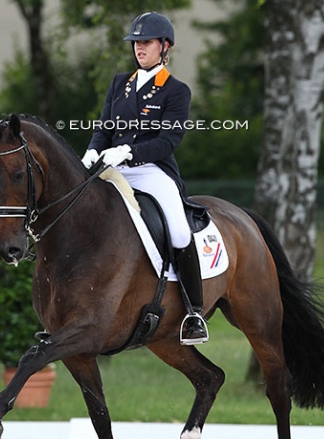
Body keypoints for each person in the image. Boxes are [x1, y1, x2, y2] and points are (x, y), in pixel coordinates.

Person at [81, 12, 208, 345]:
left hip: (152, 170)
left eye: (146, 42)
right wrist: (93, 152)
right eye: (136, 43)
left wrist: (128, 153)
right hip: (112, 167)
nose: (139, 48)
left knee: (180, 231)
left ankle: (194, 312)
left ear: (165, 47)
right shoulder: (119, 83)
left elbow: (169, 141)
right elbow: (104, 127)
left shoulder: (175, 91)